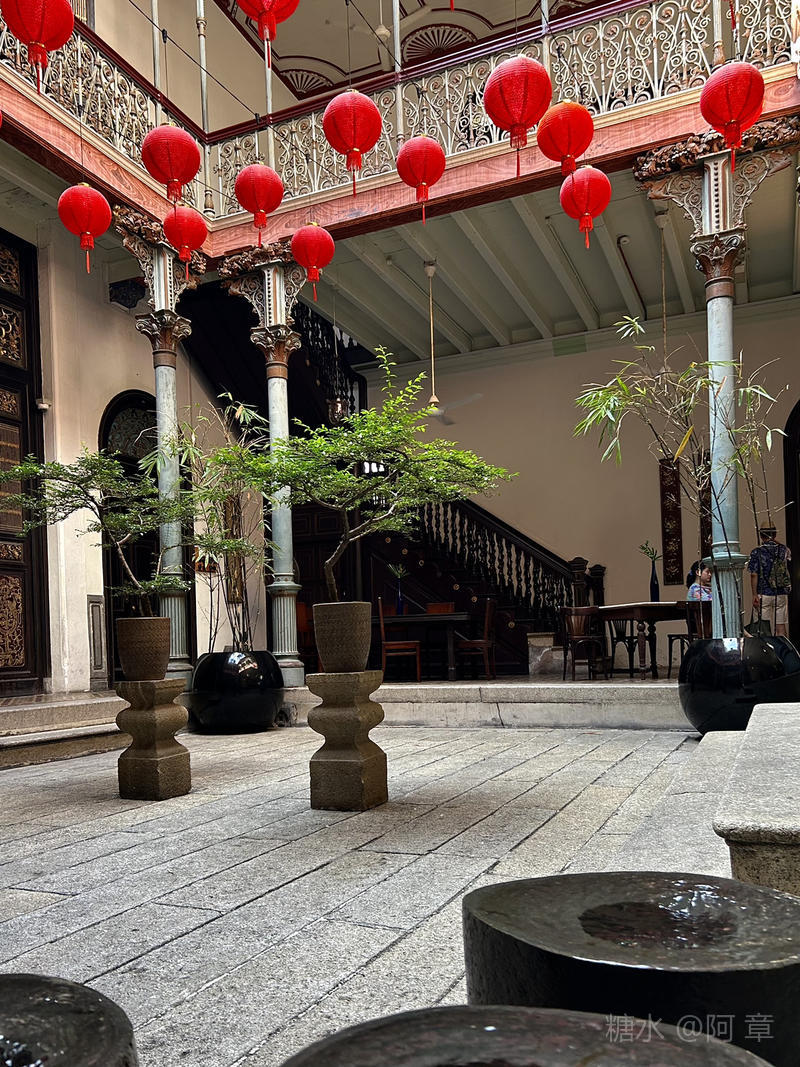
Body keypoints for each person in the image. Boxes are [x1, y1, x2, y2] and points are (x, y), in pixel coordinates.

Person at [748, 526, 792, 637]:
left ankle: (766, 648)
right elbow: (788, 556)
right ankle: (782, 648)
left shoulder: (756, 552)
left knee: (764, 628)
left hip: (764, 594)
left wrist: (754, 594)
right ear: (775, 534)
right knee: (781, 628)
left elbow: (754, 574)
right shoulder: (783, 549)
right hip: (781, 593)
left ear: (761, 535)